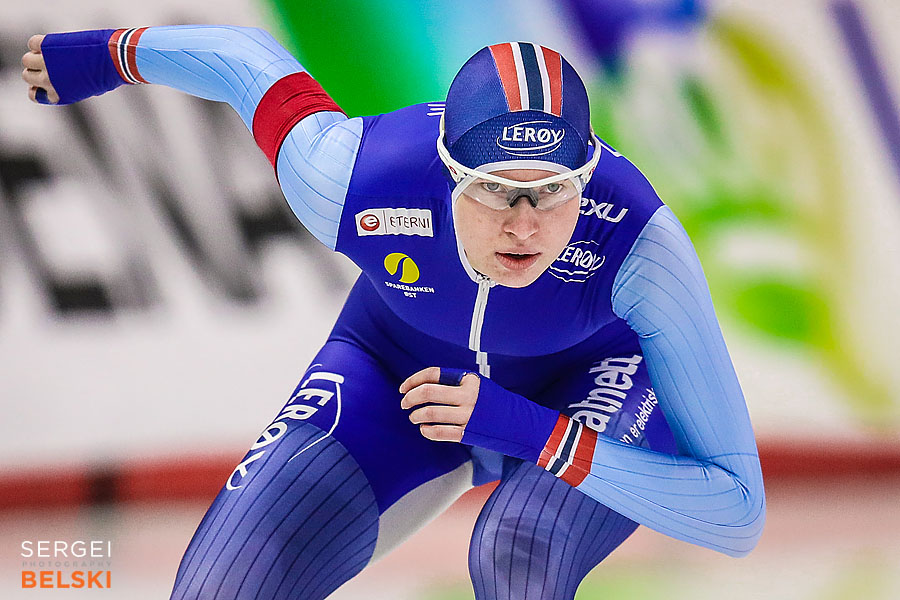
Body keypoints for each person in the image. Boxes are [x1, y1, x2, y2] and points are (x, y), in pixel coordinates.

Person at [22, 25, 766, 600]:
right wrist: (106, 54)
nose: (525, 224)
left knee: (518, 545)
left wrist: (527, 429)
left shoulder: (640, 246)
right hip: (397, 368)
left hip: (589, 383)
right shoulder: (352, 174)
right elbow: (242, 60)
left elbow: (737, 513)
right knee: (226, 583)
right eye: (496, 188)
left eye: (553, 189)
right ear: (447, 175)